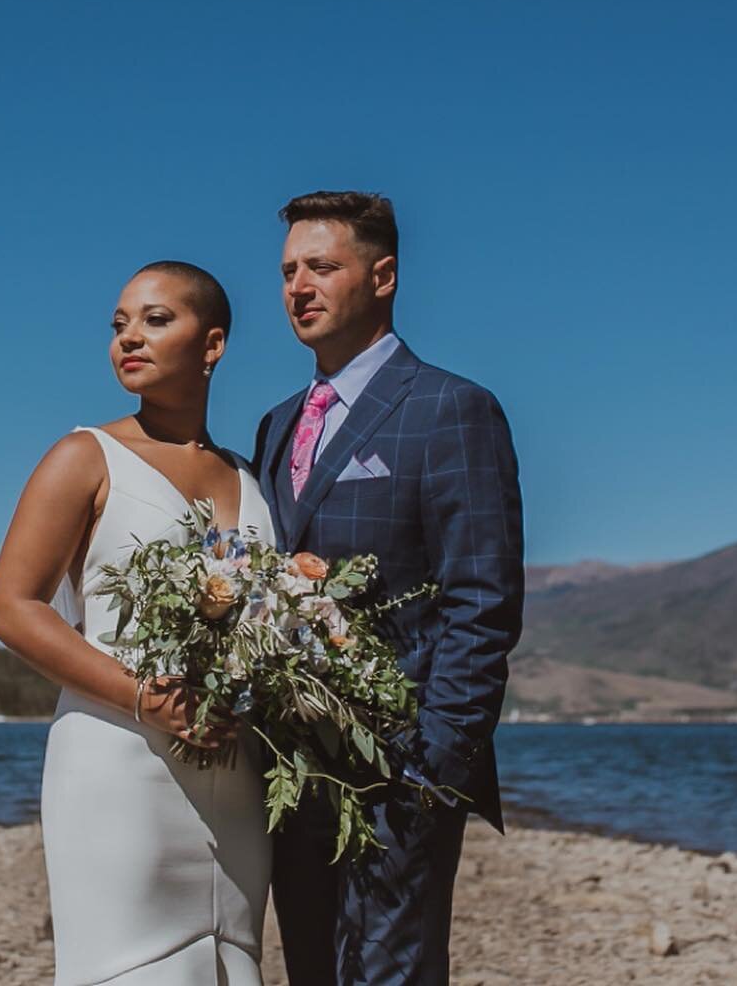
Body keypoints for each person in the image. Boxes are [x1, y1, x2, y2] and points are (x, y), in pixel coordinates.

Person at [252, 191, 524, 986]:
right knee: (310, 970)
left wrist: (431, 772)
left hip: (399, 771)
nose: (299, 286)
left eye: (322, 267)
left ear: (384, 276)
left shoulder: (452, 409)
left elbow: (484, 604)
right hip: (290, 770)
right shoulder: (274, 425)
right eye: (289, 270)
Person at [0, 260, 274, 986]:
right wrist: (147, 697)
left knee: (232, 963)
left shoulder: (251, 478)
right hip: (119, 768)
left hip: (236, 776)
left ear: (212, 345)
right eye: (119, 325)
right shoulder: (85, 457)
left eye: (155, 320)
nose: (129, 339)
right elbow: (13, 609)